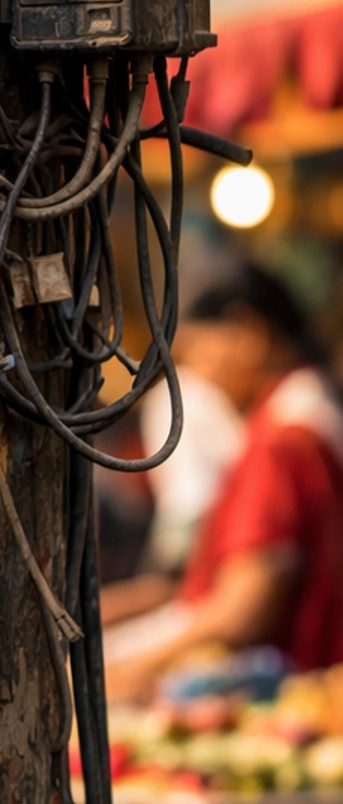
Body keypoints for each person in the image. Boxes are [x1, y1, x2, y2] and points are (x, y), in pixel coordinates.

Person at [104, 263, 343, 700]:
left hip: (288, 692)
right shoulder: (317, 413)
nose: (199, 377)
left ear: (248, 334)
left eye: (196, 354)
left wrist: (122, 670)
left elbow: (243, 612)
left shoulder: (281, 440)